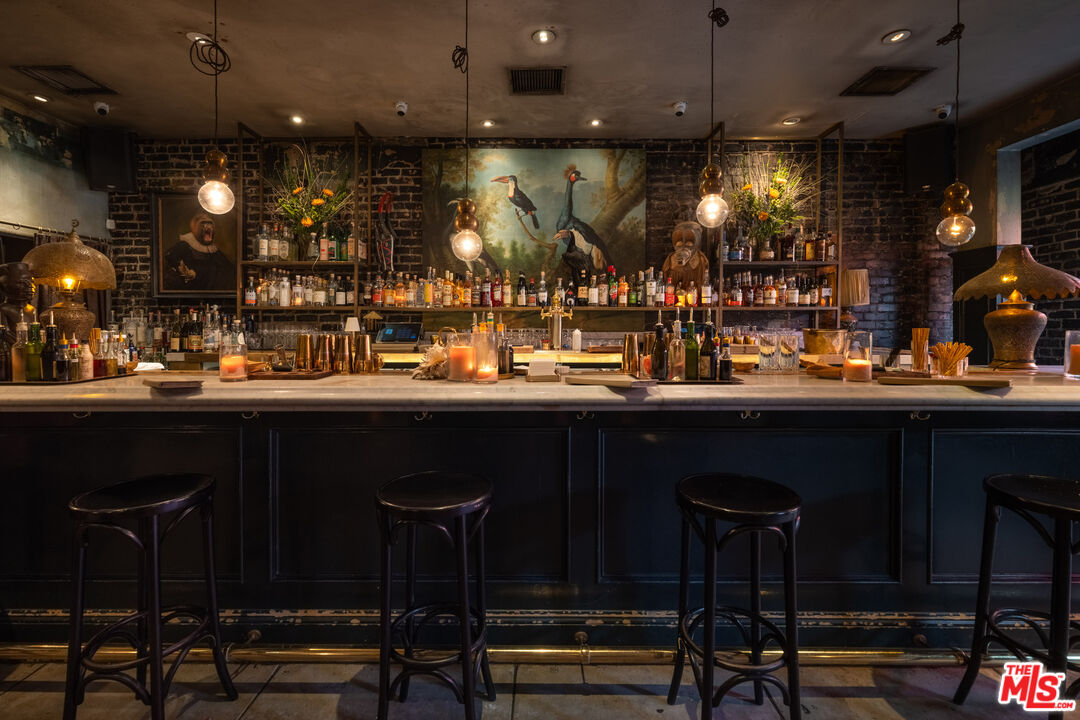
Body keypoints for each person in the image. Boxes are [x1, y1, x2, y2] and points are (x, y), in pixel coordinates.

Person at [163, 212, 235, 291]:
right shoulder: (183, 245)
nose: (208, 226)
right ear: (194, 226)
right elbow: (169, 261)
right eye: (203, 223)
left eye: (210, 223)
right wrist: (184, 271)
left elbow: (229, 270)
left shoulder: (214, 251)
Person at [661, 220, 709, 291]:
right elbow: (665, 280)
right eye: (679, 243)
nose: (683, 247)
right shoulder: (670, 259)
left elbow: (704, 282)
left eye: (689, 243)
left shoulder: (701, 260)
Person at [0, 262, 34, 343]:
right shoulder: (3, 310)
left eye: (31, 282)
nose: (30, 286)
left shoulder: (32, 309)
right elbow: (6, 335)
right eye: (22, 283)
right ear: (5, 286)